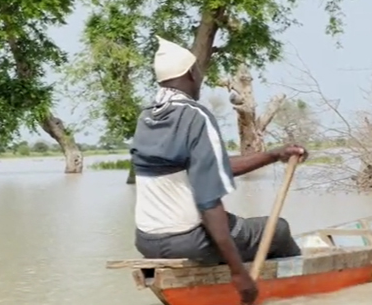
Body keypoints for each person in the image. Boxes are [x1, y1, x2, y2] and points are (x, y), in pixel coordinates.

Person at [131, 37, 308, 305]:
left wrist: (274, 155)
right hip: (190, 240)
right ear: (192, 73)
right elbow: (208, 202)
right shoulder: (195, 116)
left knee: (248, 233)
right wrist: (239, 274)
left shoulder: (147, 117)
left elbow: (211, 167)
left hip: (146, 241)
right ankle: (292, 289)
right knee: (278, 230)